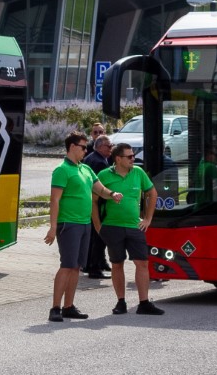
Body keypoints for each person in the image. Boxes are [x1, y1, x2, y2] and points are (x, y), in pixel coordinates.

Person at [44, 131, 122, 322]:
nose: (85, 151)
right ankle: (55, 307)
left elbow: (100, 189)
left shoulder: (85, 169)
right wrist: (53, 227)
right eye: (83, 147)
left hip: (85, 224)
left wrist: (112, 194)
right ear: (72, 147)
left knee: (76, 266)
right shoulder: (62, 170)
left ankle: (68, 306)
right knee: (67, 265)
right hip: (68, 224)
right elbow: (54, 200)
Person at [99, 143, 163, 316]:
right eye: (129, 157)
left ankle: (144, 303)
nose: (133, 159)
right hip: (112, 227)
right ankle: (121, 302)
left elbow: (152, 193)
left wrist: (148, 219)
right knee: (117, 263)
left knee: (142, 263)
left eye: (133, 156)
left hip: (135, 226)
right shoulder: (104, 175)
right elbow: (94, 199)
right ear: (118, 159)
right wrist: (98, 226)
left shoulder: (138, 173)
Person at [81, 134, 114, 279]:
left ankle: (91, 264)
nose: (111, 148)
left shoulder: (91, 158)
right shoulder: (100, 163)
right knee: (99, 237)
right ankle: (94, 268)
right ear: (100, 146)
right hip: (97, 204)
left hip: (89, 203)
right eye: (109, 146)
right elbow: (99, 187)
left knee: (92, 237)